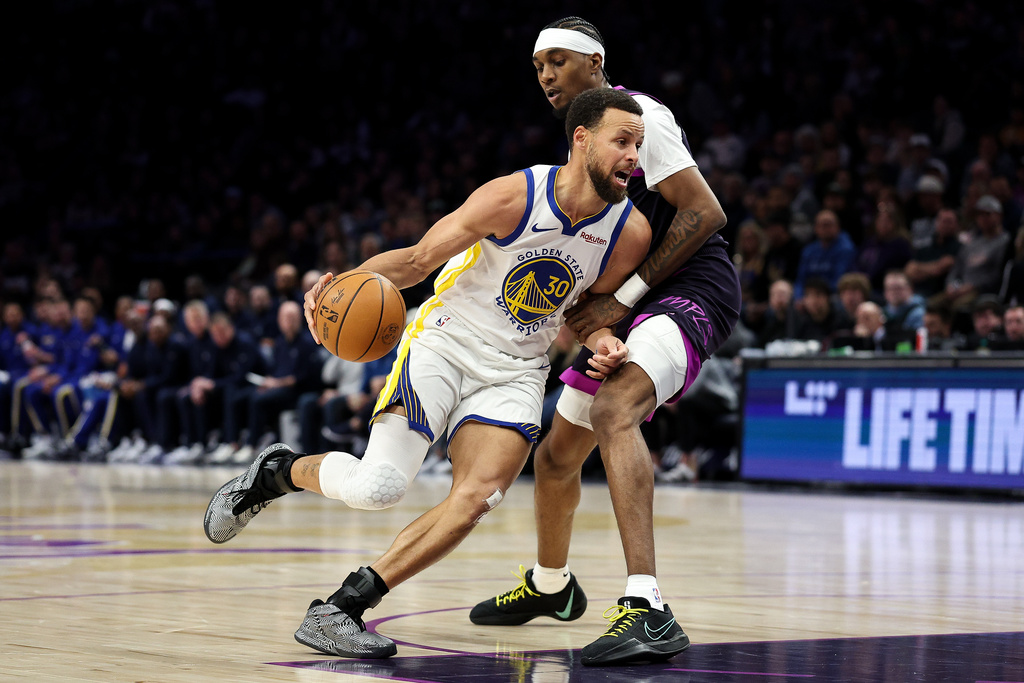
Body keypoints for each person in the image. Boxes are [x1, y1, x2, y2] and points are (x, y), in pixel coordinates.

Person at [202, 87, 652, 659]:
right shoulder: (514, 196)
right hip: (445, 342)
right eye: (622, 141)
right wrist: (342, 285)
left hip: (516, 370)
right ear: (581, 140)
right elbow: (417, 261)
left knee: (478, 497)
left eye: (638, 144)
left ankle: (341, 610)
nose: (633, 157)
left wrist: (604, 338)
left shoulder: (628, 233)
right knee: (379, 488)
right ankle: (278, 472)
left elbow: (585, 315)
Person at [470, 17, 740, 667]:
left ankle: (647, 608)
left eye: (559, 61)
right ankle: (551, 585)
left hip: (692, 289)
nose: (547, 76)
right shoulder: (582, 150)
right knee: (557, 456)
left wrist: (620, 299)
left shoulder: (639, 115)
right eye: (539, 67)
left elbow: (705, 212)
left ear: (596, 64)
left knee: (615, 408)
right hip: (629, 304)